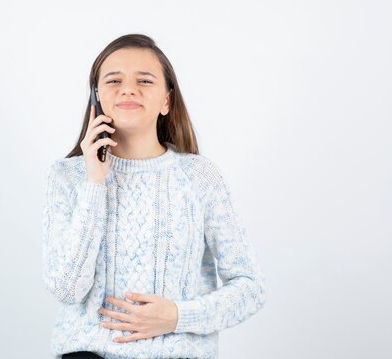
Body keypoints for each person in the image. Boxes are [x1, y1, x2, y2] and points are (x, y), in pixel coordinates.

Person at [41, 34, 267, 359]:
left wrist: (177, 316)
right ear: (96, 98)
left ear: (167, 101)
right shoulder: (67, 177)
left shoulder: (200, 177)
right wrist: (95, 182)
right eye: (114, 80)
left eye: (144, 80)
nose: (128, 89)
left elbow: (250, 287)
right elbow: (66, 289)